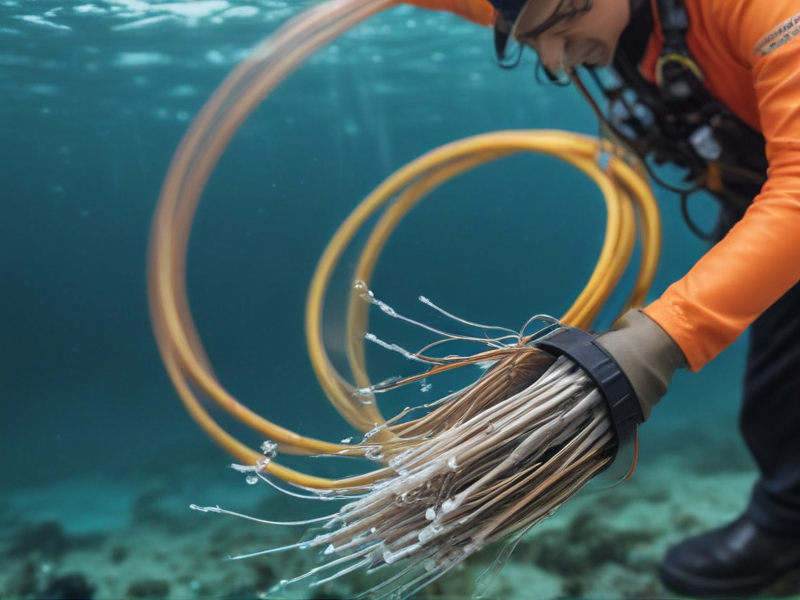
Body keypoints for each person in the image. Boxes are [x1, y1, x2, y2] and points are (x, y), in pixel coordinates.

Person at [405, 0, 800, 596]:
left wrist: (662, 338)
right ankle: (788, 523)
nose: (556, 62)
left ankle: (782, 523)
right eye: (530, 42)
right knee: (782, 380)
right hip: (755, 197)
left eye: (562, 31)